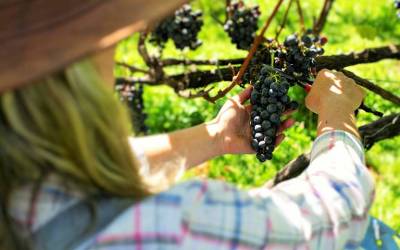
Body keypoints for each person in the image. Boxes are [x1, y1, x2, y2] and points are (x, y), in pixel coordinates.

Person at [0, 1, 375, 250]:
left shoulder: (19, 184)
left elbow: (77, 174)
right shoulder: (168, 228)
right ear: (75, 76)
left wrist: (214, 137)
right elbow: (333, 214)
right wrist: (337, 116)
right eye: (108, 47)